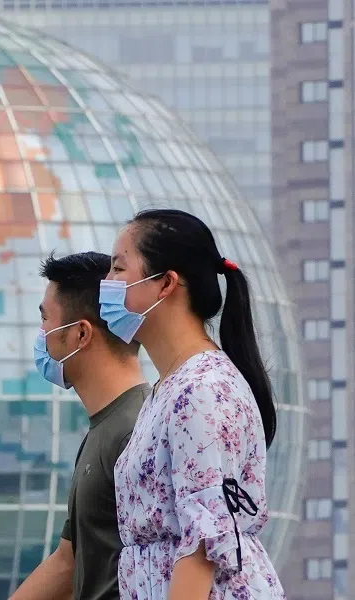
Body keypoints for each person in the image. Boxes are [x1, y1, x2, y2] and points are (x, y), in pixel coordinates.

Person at [103, 209, 285, 599]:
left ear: (166, 283)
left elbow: (203, 544)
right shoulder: (171, 387)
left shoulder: (200, 391)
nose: (106, 284)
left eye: (118, 269)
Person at [11, 251, 150, 600]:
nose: (41, 335)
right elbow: (68, 560)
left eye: (46, 320)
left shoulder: (139, 430)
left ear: (81, 334)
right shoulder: (103, 430)